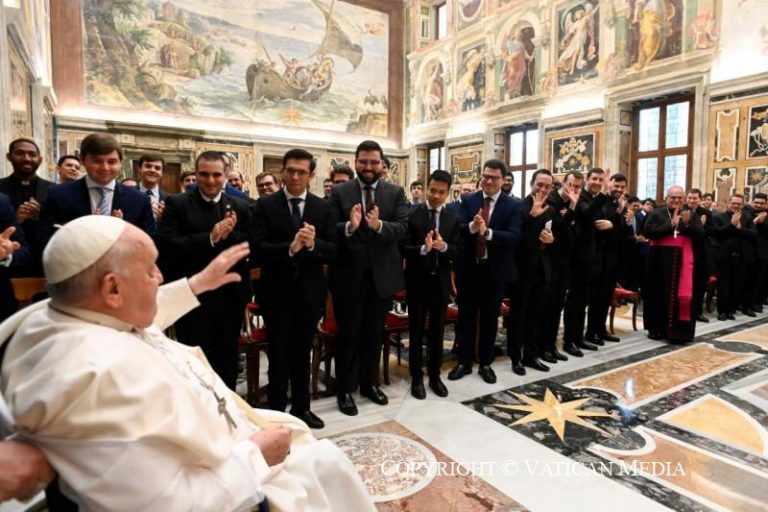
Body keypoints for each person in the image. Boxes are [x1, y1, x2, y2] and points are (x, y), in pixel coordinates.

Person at [0, 215, 375, 512]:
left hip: (226, 441)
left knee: (313, 448)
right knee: (327, 465)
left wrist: (195, 285)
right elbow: (169, 504)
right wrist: (255, 455)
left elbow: (137, 314)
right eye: (151, 269)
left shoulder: (66, 315)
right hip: (229, 481)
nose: (161, 277)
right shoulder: (92, 378)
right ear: (112, 288)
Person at [252, 149, 337, 429]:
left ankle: (302, 408)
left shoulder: (323, 208)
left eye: (302, 172)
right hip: (275, 292)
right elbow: (257, 248)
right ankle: (276, 412)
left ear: (311, 175)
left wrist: (312, 245)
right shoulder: (265, 205)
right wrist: (290, 248)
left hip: (309, 294)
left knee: (302, 353)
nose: (295, 176)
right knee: (278, 354)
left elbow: (333, 250)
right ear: (283, 172)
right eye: (290, 170)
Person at [156, 151, 252, 389]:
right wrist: (210, 237)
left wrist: (228, 235)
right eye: (204, 174)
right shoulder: (177, 204)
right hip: (192, 295)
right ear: (196, 174)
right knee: (194, 360)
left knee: (227, 357)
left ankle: (228, 404)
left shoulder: (240, 205)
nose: (210, 181)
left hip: (230, 295)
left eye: (216, 175)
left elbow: (250, 243)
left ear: (226, 175)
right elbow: (167, 245)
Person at [329, 140, 408, 416]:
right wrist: (349, 227)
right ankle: (345, 390)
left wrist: (379, 225)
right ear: (355, 162)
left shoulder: (395, 193)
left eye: (374, 162)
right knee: (348, 334)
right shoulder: (340, 192)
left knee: (374, 334)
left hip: (381, 278)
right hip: (348, 276)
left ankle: (369, 384)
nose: (368, 166)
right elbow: (329, 228)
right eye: (363, 161)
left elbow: (403, 228)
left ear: (382, 164)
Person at [448, 159, 522, 384]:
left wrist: (487, 232)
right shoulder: (469, 200)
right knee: (466, 318)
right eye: (485, 176)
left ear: (503, 180)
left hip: (495, 270)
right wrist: (472, 227)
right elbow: (457, 228)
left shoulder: (513, 205)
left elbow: (514, 236)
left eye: (494, 177)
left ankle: (486, 363)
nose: (488, 181)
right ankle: (464, 362)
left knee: (490, 319)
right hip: (469, 269)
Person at [39, 133, 155, 249]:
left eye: (112, 162)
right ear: (83, 160)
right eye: (97, 161)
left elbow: (148, 244)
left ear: (121, 162)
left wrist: (122, 233)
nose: (105, 167)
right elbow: (43, 240)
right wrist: (80, 232)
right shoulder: (58, 194)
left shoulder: (139, 200)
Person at [403, 170, 459, 399]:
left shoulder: (452, 218)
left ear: (448, 193)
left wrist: (444, 247)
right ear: (427, 188)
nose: (436, 196)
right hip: (417, 282)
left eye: (441, 192)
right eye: (433, 190)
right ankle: (416, 377)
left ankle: (435, 376)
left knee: (437, 332)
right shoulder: (411, 214)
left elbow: (457, 250)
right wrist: (423, 249)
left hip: (440, 283)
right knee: (416, 331)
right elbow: (402, 248)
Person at [642, 186, 704, 342]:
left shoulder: (691, 214)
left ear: (684, 199)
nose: (676, 200)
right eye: (673, 197)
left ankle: (680, 333)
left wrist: (688, 225)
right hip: (659, 263)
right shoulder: (656, 213)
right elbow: (647, 232)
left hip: (683, 263)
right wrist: (670, 225)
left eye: (679, 197)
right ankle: (656, 330)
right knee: (656, 294)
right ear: (666, 198)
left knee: (681, 296)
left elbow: (701, 236)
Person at [563, 168, 610, 353]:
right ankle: (569, 341)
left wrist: (610, 224)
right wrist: (604, 192)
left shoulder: (595, 199)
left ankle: (579, 338)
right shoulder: (580, 197)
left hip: (594, 257)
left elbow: (599, 221)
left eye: (600, 179)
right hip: (578, 259)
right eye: (594, 179)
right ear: (587, 180)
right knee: (574, 302)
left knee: (584, 301)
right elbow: (587, 213)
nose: (597, 182)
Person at [585, 173, 631, 345]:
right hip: (599, 257)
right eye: (616, 186)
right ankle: (591, 332)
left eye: (622, 187)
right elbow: (600, 228)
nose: (619, 189)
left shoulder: (621, 205)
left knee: (606, 297)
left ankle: (601, 329)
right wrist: (615, 222)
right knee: (596, 297)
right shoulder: (601, 202)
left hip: (614, 258)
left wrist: (627, 223)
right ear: (609, 184)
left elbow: (623, 234)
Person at [542, 170, 583, 359]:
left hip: (566, 261)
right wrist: (573, 207)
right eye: (571, 185)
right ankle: (543, 347)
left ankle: (551, 346)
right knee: (548, 305)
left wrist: (572, 208)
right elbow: (559, 227)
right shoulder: (551, 200)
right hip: (550, 260)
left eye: (577, 187)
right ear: (563, 183)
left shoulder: (573, 202)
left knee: (558, 305)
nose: (573, 189)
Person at [0, 138, 54, 274]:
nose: (27, 158)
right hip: (8, 264)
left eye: (32, 154)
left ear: (40, 160)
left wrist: (40, 217)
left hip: (46, 263)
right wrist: (14, 221)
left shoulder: (54, 190)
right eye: (20, 153)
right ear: (9, 157)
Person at [709, 194, 757, 320]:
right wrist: (731, 224)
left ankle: (731, 310)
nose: (735, 206)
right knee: (723, 286)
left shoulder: (747, 217)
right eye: (733, 203)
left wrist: (740, 228)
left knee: (737, 285)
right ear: (728, 203)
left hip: (741, 257)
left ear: (742, 205)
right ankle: (722, 311)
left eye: (738, 204)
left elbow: (753, 234)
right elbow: (717, 233)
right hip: (724, 257)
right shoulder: (718, 216)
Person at [137, 154, 168, 220]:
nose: (152, 170)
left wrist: (166, 218)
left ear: (162, 173)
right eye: (148, 166)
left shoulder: (169, 200)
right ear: (139, 169)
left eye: (157, 168)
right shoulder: (126, 195)